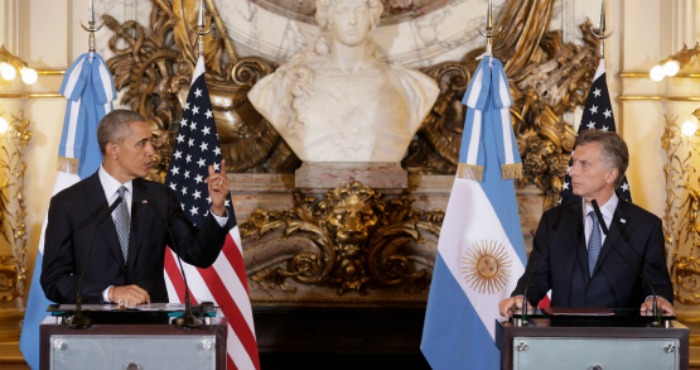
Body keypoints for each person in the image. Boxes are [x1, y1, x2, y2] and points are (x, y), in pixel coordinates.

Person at [41, 109, 231, 306]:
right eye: (142, 143)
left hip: (150, 328)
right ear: (113, 149)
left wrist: (217, 209)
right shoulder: (68, 203)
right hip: (94, 329)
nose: (151, 151)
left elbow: (198, 254)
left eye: (150, 142)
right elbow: (54, 281)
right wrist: (109, 293)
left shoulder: (160, 197)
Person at [499, 129, 674, 317]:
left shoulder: (645, 226)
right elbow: (537, 275)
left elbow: (656, 285)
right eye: (573, 163)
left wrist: (655, 300)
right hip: (564, 337)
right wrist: (522, 296)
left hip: (622, 338)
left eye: (584, 165)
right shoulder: (554, 221)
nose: (572, 172)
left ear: (610, 174)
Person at [248, 0, 439, 163]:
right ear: (328, 16)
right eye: (343, 10)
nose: (352, 20)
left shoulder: (412, 86)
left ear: (373, 15)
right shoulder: (286, 84)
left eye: (360, 10)